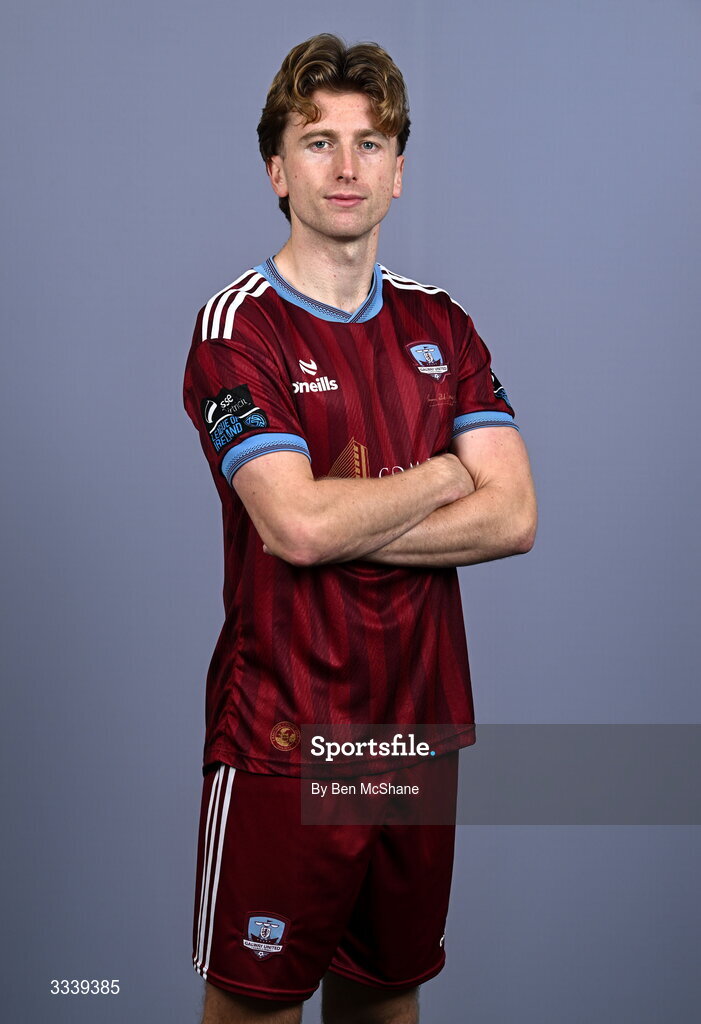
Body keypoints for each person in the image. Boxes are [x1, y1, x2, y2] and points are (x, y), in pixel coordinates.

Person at [183, 32, 537, 1024]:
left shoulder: (442, 326)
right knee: (253, 1006)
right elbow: (291, 525)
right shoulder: (238, 328)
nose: (345, 167)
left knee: (386, 1002)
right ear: (275, 171)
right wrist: (437, 473)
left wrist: (343, 517)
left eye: (370, 144)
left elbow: (511, 515)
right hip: (284, 743)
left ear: (397, 174)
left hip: (414, 741)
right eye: (317, 141)